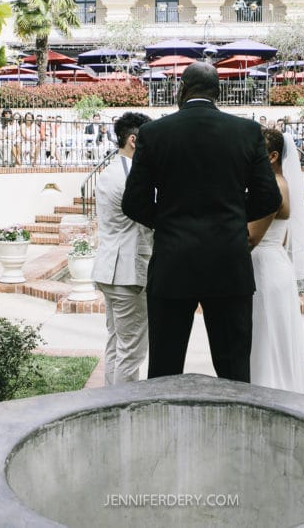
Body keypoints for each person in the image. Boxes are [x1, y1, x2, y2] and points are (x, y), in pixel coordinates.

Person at [123, 62, 281, 382]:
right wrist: (233, 216)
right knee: (234, 369)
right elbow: (269, 198)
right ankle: (237, 428)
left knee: (165, 369)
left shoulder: (153, 132)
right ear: (218, 91)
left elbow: (133, 202)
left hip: (173, 261)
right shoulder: (247, 131)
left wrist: (168, 220)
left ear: (181, 90)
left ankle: (163, 429)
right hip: (228, 262)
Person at [247, 129, 304, 393]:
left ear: (273, 156)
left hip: (264, 267)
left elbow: (251, 238)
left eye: (257, 151)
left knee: (264, 333)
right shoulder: (282, 183)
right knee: (272, 333)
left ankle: (265, 390)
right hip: (275, 262)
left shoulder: (272, 186)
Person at [93, 112, 153, 385]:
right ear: (133, 140)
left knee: (116, 342)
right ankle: (123, 410)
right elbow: (146, 220)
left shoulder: (108, 171)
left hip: (108, 269)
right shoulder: (129, 176)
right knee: (132, 351)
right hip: (127, 272)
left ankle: (108, 402)